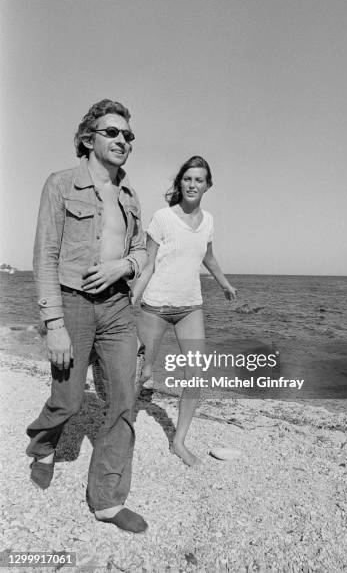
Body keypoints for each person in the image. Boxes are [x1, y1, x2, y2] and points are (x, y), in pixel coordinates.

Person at [26, 99, 148, 534]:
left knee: (123, 400)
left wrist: (125, 266)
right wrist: (53, 324)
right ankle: (42, 446)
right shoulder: (60, 184)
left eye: (127, 136)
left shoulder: (131, 195)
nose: (122, 141)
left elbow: (140, 250)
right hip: (72, 301)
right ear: (87, 138)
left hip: (118, 306)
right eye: (112, 133)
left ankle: (108, 501)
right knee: (69, 399)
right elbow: (45, 255)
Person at [131, 155, 237, 467]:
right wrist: (133, 295)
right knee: (141, 373)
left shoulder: (209, 221)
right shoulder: (163, 218)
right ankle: (120, 428)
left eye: (199, 180)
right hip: (155, 307)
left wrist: (225, 284)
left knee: (195, 375)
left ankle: (178, 441)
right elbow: (148, 263)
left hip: (191, 307)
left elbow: (208, 257)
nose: (192, 184)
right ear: (180, 182)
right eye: (187, 179)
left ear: (208, 185)